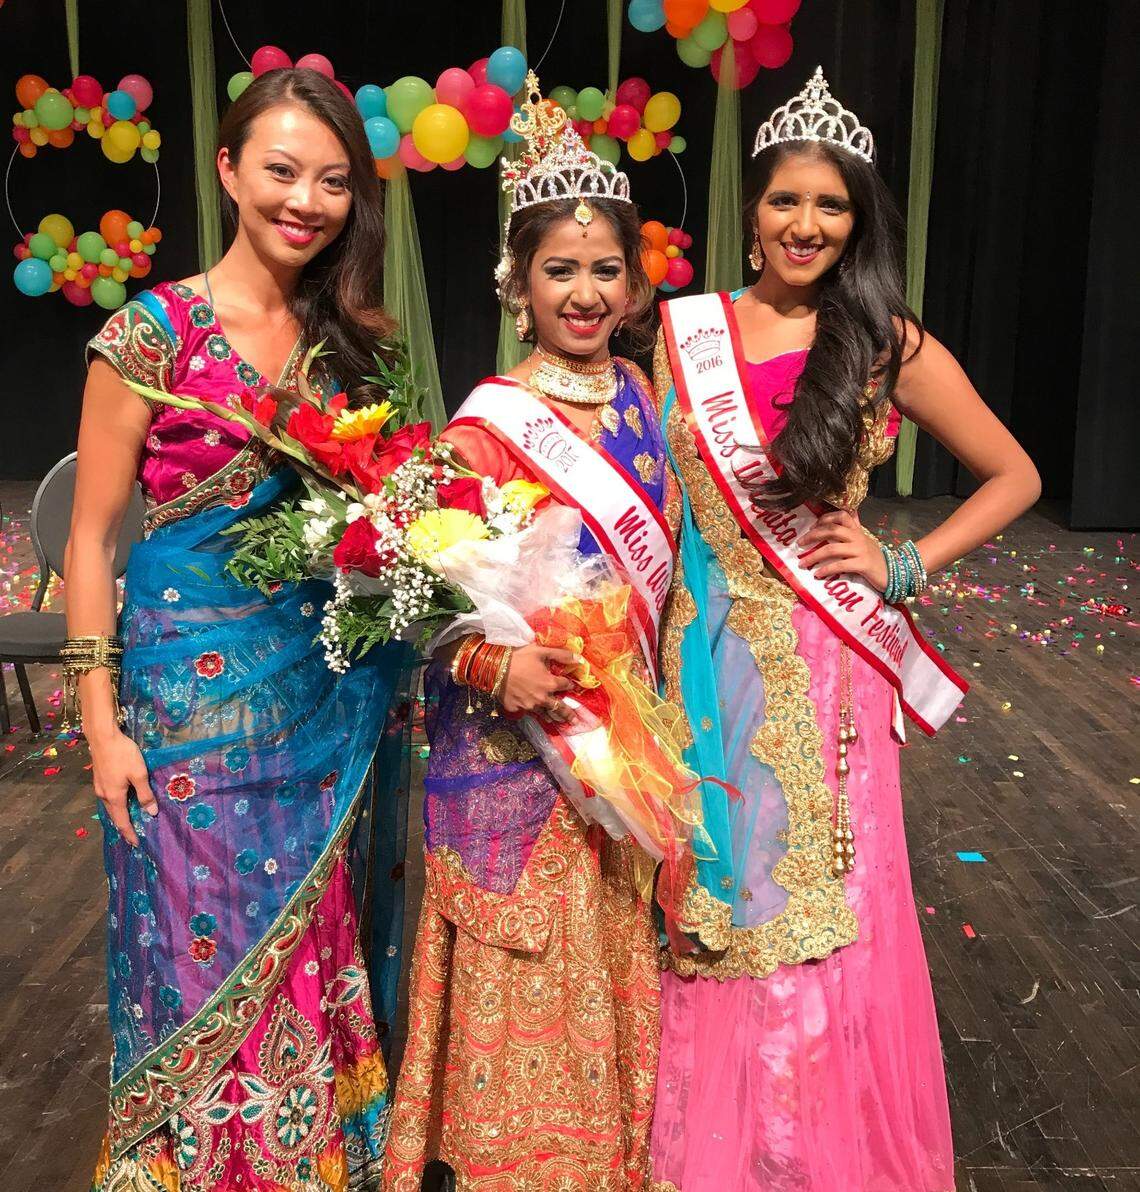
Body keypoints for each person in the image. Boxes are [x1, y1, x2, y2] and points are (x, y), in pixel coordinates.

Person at [649, 68, 1041, 1191]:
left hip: (827, 672)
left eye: (832, 205)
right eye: (786, 202)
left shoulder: (884, 342)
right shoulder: (686, 333)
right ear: (752, 210)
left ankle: (814, 1152)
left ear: (857, 217)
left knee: (824, 902)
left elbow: (1015, 473)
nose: (806, 225)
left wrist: (905, 559)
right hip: (701, 657)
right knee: (714, 890)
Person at [71, 69, 407, 1190]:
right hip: (180, 729)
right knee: (191, 950)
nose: (306, 200)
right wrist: (100, 726)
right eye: (281, 171)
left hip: (310, 719)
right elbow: (90, 541)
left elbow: (369, 526)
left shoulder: (346, 343)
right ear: (227, 170)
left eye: (331, 180)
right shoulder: (148, 338)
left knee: (309, 938)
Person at [382, 76, 671, 1191]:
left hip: (622, 739)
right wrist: (490, 661)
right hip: (522, 749)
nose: (585, 292)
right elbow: (418, 599)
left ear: (637, 286)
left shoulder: (645, 398)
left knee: (612, 946)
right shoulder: (487, 423)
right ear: (519, 285)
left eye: (607, 271)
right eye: (561, 270)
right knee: (532, 962)